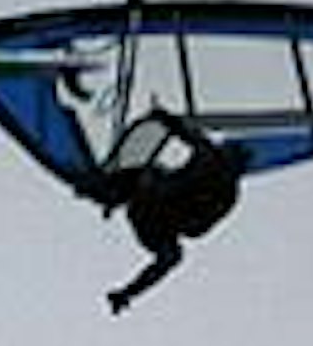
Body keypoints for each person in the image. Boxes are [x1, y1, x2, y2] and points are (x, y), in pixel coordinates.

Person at [104, 110, 246, 314]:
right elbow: (184, 132)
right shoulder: (213, 162)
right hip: (158, 207)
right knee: (149, 182)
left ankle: (126, 293)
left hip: (164, 217)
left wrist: (128, 292)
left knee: (172, 255)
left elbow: (200, 228)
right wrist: (164, 118)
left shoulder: (226, 188)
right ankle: (115, 192)